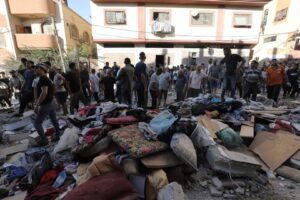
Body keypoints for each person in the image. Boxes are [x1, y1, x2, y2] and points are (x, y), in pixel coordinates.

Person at [33, 63, 60, 146]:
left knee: (37, 123)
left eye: (37, 68)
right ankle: (57, 135)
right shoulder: (47, 78)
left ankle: (44, 141)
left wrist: (37, 104)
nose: (35, 70)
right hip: (51, 102)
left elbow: (44, 92)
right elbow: (53, 89)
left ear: (42, 70)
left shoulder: (43, 79)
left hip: (46, 104)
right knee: (53, 119)